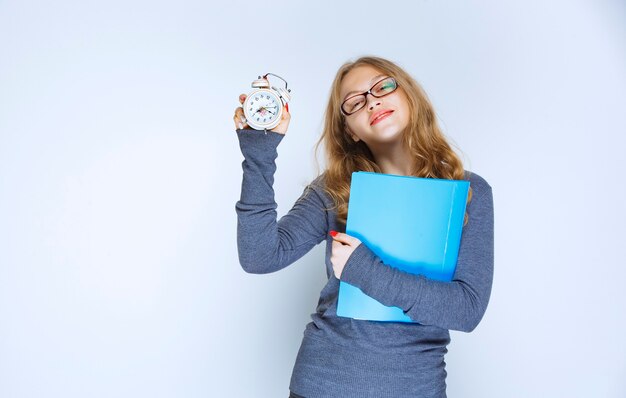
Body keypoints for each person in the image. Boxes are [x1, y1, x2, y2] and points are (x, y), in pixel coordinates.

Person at [232, 56, 494, 398]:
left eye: (383, 86)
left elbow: (466, 310)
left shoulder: (469, 193)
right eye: (355, 102)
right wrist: (259, 153)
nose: (373, 100)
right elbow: (259, 256)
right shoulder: (336, 188)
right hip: (322, 385)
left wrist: (366, 272)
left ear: (410, 96)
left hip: (415, 388)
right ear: (350, 131)